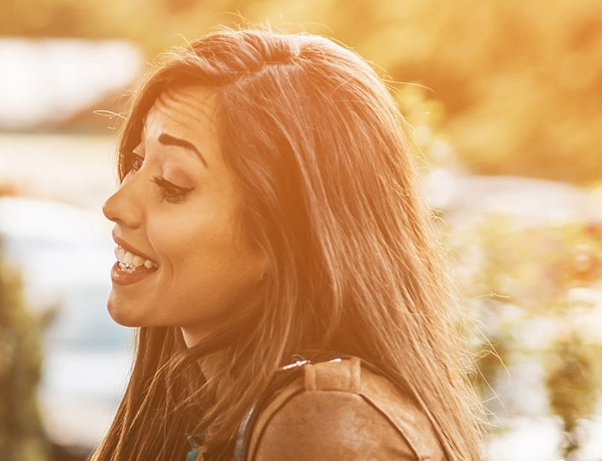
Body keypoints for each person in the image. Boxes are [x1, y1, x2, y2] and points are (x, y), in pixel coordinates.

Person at [93, 29, 485, 461]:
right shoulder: (211, 417)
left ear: (282, 240)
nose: (116, 205)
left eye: (172, 184)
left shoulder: (325, 431)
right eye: (134, 162)